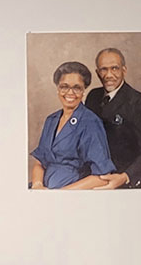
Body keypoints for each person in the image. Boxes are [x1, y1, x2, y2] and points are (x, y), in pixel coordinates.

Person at [29, 62, 125, 191]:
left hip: (71, 194)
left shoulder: (90, 122)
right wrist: (37, 185)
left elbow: (102, 177)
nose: (70, 92)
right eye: (64, 87)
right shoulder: (51, 120)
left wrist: (62, 193)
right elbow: (39, 163)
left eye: (77, 88)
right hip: (44, 191)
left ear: (83, 91)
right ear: (58, 89)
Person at [84, 47, 141, 188]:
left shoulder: (140, 102)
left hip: (125, 184)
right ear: (97, 73)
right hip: (93, 179)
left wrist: (125, 177)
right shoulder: (93, 96)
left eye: (114, 68)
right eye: (103, 69)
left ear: (124, 70)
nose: (109, 75)